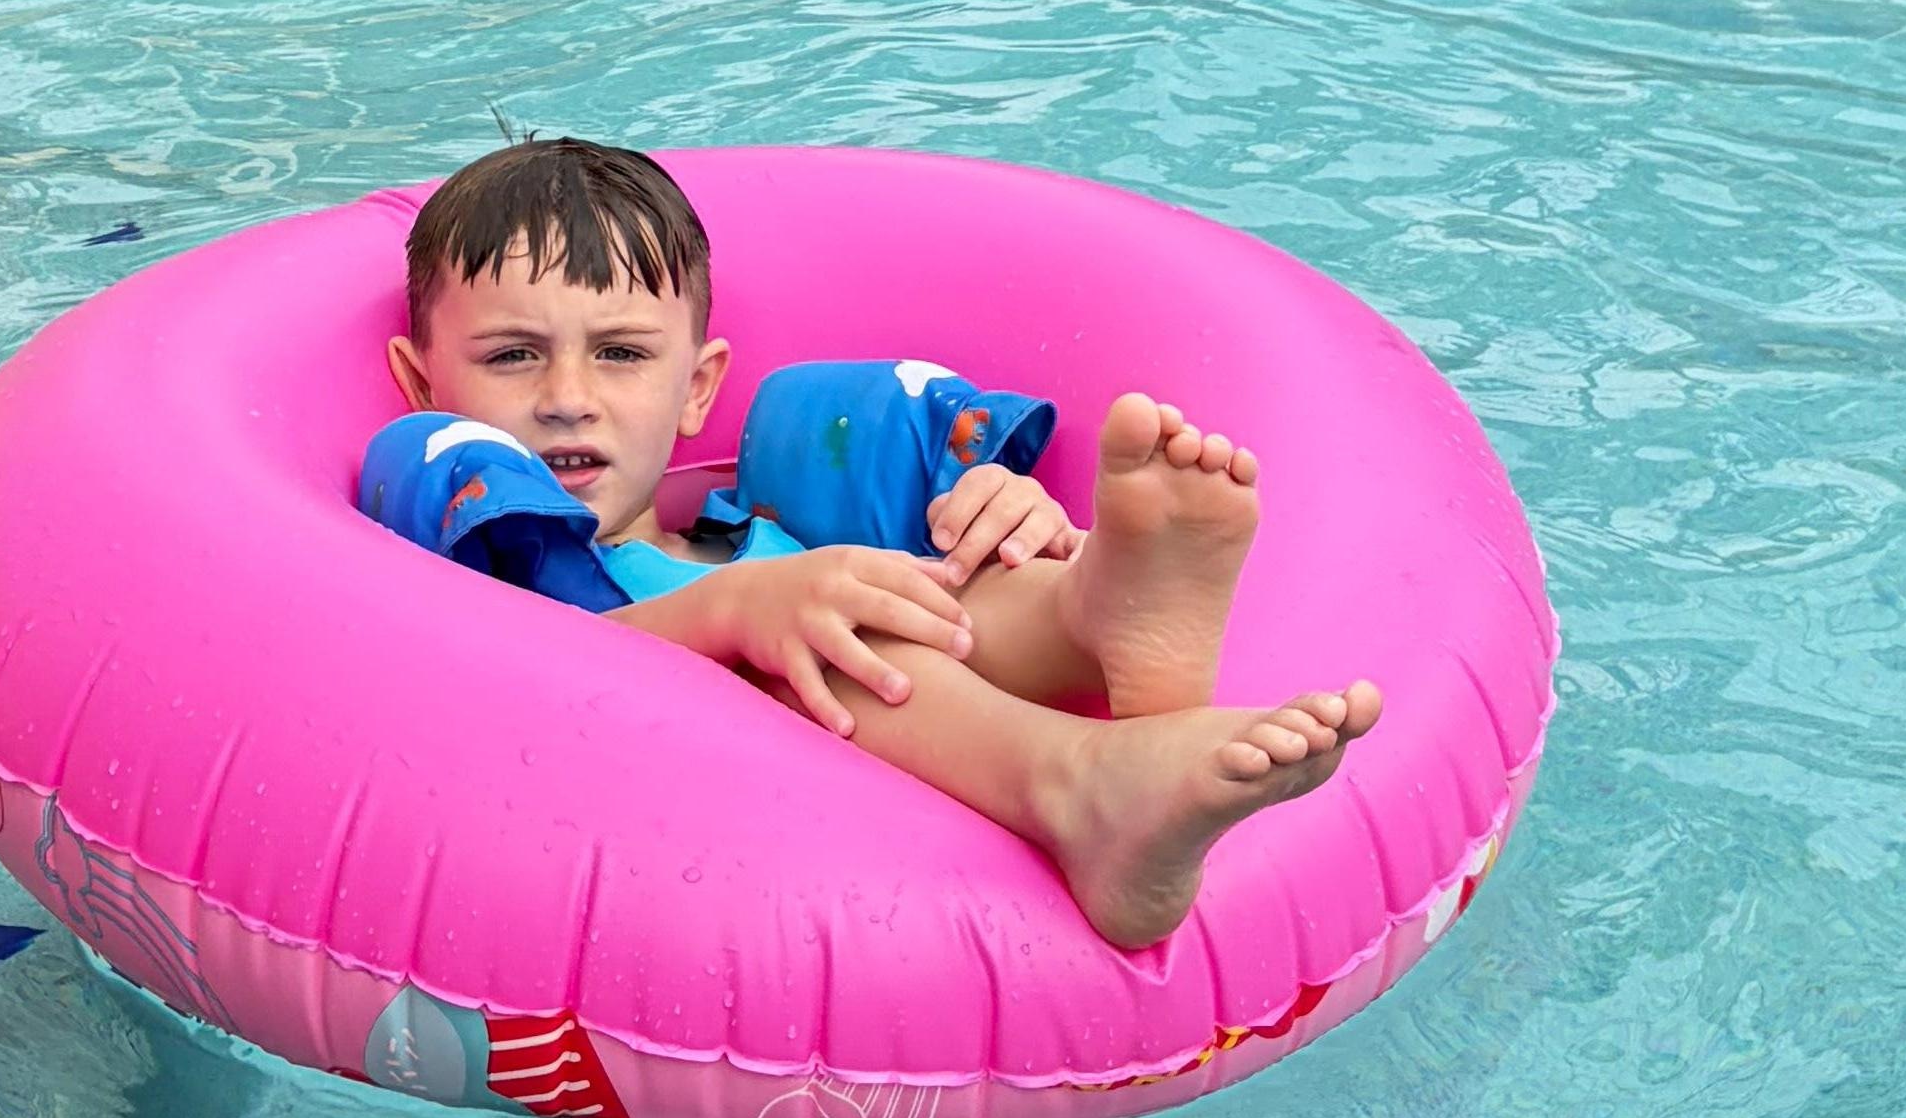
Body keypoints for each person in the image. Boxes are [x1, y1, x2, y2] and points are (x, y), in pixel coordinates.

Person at [375, 136, 1380, 955]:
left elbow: (870, 582)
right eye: (514, 355)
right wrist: (738, 615)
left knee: (918, 584)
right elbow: (526, 689)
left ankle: (1098, 612)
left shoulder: (750, 529)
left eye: (622, 353)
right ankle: (1077, 782)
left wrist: (1005, 518)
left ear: (698, 388)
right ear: (424, 387)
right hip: (723, 759)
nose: (567, 398)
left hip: (824, 603)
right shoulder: (481, 547)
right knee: (816, 634)